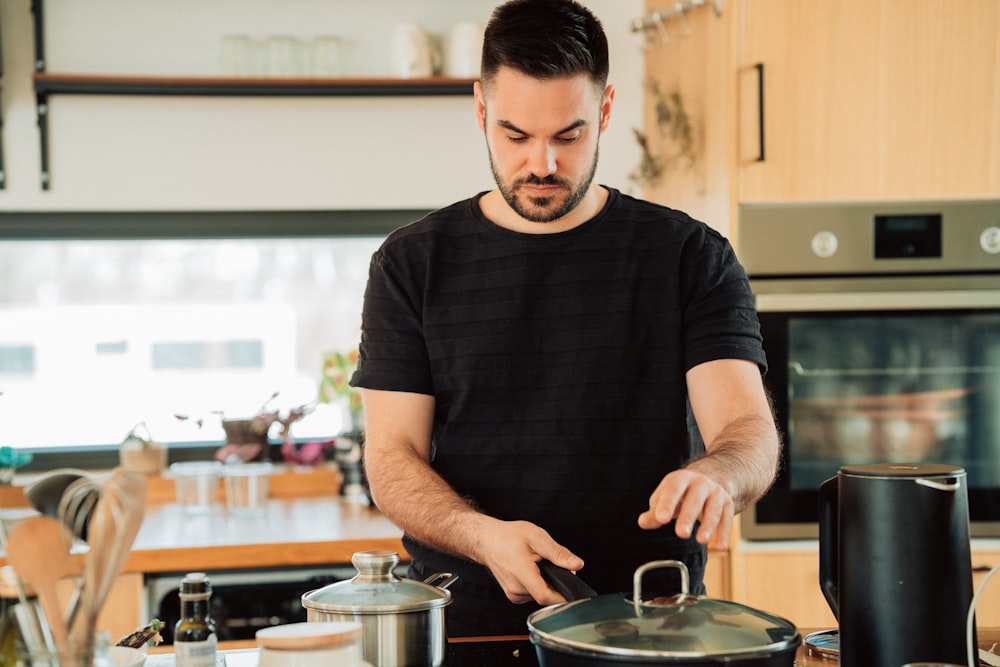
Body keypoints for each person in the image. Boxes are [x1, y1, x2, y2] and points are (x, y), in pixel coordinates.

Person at [350, 0, 781, 637]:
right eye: (516, 136)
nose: (543, 164)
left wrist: (718, 473)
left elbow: (748, 430)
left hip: (650, 621)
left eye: (569, 135)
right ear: (481, 111)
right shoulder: (411, 264)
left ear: (605, 111)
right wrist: (483, 536)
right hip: (471, 622)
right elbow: (391, 459)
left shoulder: (689, 255)